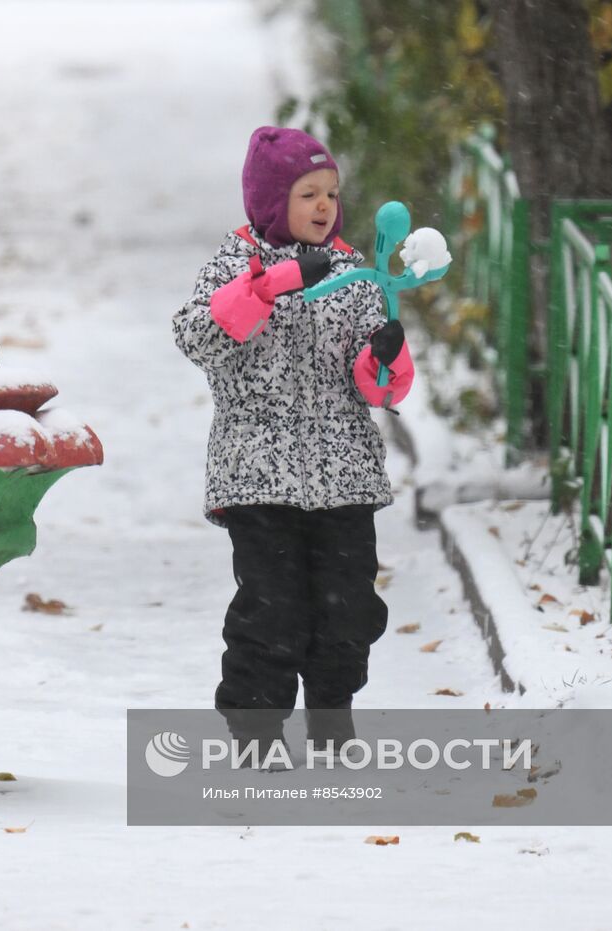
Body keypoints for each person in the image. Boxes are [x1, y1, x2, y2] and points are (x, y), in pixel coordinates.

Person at [171, 126, 413, 758]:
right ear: (273, 201)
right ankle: (256, 734)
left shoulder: (356, 271)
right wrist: (273, 284)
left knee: (347, 610)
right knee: (270, 612)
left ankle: (333, 715)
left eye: (331, 193)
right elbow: (200, 338)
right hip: (257, 478)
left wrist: (384, 358)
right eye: (308, 194)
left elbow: (380, 391)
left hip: (345, 477)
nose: (324, 207)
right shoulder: (237, 262)